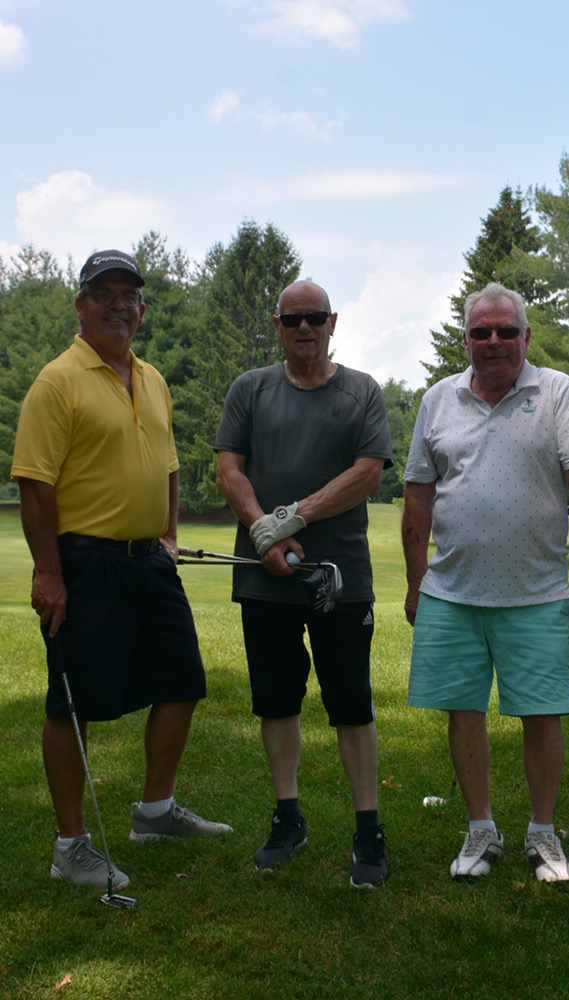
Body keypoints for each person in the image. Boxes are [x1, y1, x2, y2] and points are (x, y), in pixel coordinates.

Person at [11, 249, 231, 891]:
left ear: (142, 309)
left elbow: (168, 465)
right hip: (85, 563)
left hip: (149, 562)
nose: (117, 305)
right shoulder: (57, 382)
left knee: (182, 681)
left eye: (128, 295)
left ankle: (155, 812)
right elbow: (35, 486)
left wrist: (169, 534)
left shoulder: (152, 378)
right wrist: (48, 574)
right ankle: (71, 846)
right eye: (103, 294)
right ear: (81, 305)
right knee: (72, 702)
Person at [402, 282, 569, 883]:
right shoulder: (438, 399)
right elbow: (418, 495)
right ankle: (481, 827)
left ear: (526, 336)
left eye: (507, 330)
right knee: (463, 711)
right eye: (482, 331)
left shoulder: (554, 390)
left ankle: (542, 831)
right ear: (466, 340)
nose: (495, 340)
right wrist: (415, 582)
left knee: (541, 714)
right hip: (452, 590)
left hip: (534, 590)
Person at [214, 280, 394, 889]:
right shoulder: (250, 389)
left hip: (340, 579)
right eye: (292, 319)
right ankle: (288, 817)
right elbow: (229, 470)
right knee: (276, 700)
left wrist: (288, 521)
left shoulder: (362, 392)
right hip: (263, 577)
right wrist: (263, 535)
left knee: (351, 702)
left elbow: (367, 474)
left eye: (315, 318)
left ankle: (367, 828)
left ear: (333, 322)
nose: (304, 329)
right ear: (278, 325)